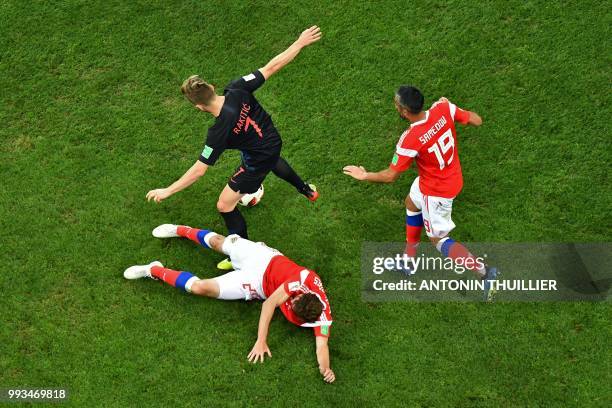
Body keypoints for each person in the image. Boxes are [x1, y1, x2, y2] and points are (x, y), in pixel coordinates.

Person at [146, 26, 322, 269]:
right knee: (271, 158)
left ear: (198, 107)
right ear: (213, 88)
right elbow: (272, 66)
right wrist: (300, 42)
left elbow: (199, 170)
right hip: (272, 140)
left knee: (224, 205)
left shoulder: (218, 133)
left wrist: (168, 190)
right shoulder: (237, 88)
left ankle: (241, 255)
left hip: (256, 161)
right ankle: (306, 190)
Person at [123, 223, 335, 383]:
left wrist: (326, 369)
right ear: (301, 295)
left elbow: (322, 344)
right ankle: (181, 230)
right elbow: (270, 304)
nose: (289, 302)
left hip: (256, 285)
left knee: (199, 288)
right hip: (263, 259)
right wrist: (261, 340)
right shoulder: (303, 280)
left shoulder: (322, 318)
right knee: (219, 243)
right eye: (293, 299)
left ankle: (153, 270)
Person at [343, 86, 498, 300]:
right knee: (410, 203)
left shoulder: (410, 138)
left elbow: (390, 176)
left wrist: (364, 175)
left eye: (396, 104)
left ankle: (484, 272)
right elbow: (476, 120)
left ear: (404, 111)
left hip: (436, 191)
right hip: (446, 177)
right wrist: (450, 107)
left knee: (438, 240)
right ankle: (409, 261)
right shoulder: (443, 108)